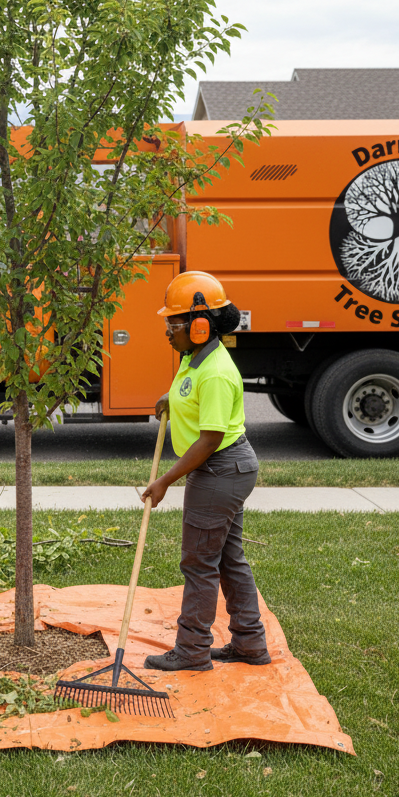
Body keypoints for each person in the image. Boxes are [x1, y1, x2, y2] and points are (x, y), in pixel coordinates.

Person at [141, 271, 270, 672]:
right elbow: (189, 393)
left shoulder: (215, 371)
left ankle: (192, 650)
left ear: (200, 325)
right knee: (229, 559)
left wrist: (164, 480)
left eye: (173, 323)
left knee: (199, 563)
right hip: (227, 470)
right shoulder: (195, 359)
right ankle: (250, 645)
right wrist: (171, 400)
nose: (167, 331)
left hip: (219, 470)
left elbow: (210, 438)